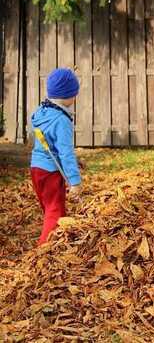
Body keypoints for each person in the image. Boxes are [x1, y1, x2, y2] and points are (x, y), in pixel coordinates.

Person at [31, 68, 82, 245]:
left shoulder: (41, 112)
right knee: (55, 211)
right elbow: (65, 153)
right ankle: (45, 249)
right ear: (66, 95)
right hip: (51, 171)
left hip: (36, 169)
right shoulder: (61, 120)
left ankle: (59, 238)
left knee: (50, 207)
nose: (75, 98)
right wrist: (75, 182)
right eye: (74, 94)